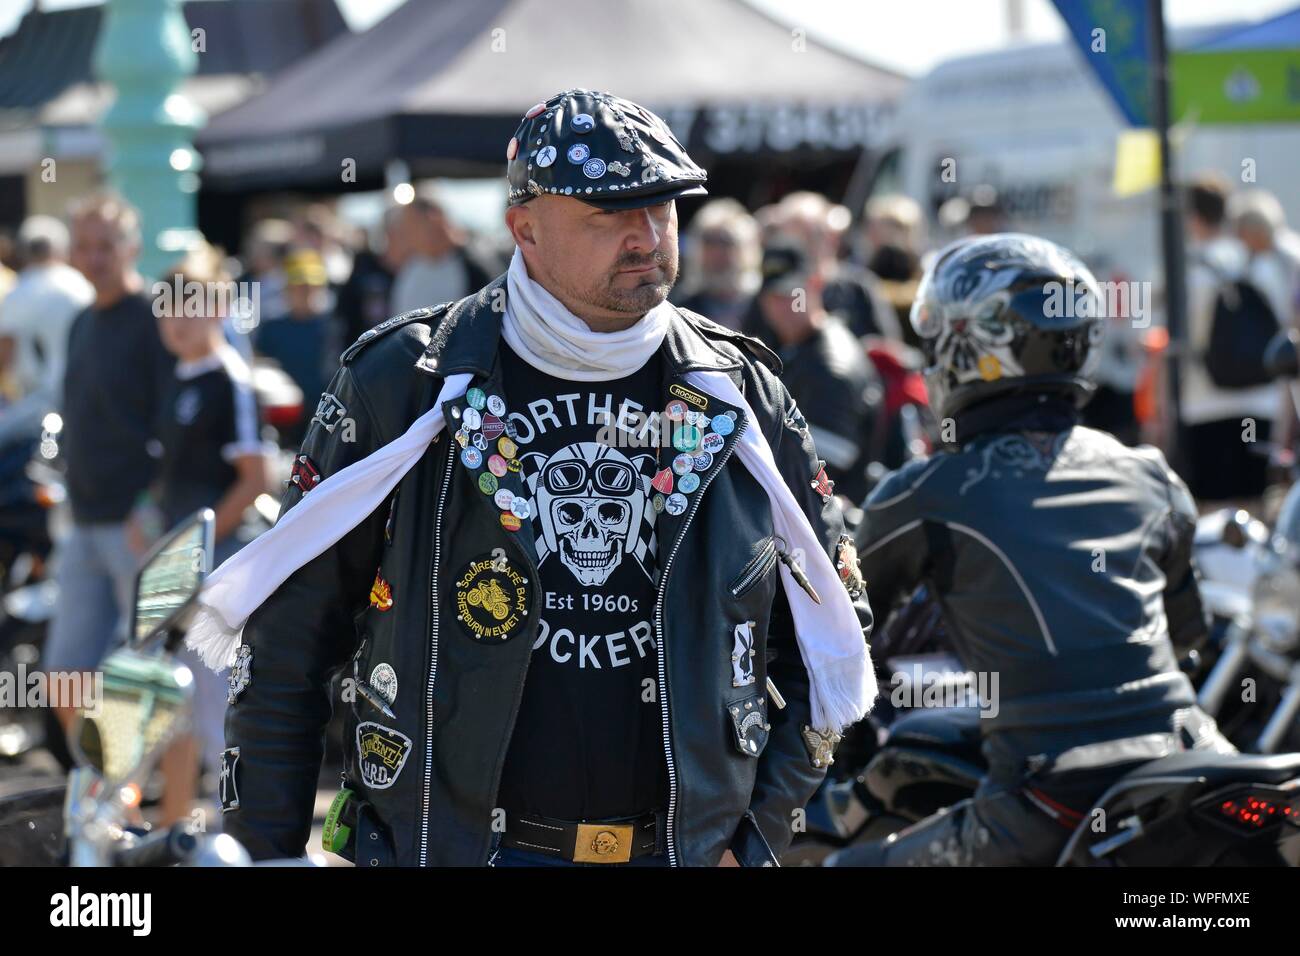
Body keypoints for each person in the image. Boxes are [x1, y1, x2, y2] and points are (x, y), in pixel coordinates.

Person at [196, 88, 876, 868]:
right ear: (524, 226)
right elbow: (286, 647)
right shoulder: (409, 382)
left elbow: (833, 637)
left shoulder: (741, 394)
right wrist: (266, 852)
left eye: (662, 209)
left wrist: (755, 841)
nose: (646, 236)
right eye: (608, 213)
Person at [825, 234, 1235, 868]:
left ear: (966, 347)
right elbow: (1185, 637)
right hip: (1191, 763)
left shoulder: (926, 491)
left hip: (1049, 795)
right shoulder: (1151, 474)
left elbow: (835, 637)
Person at [144, 241, 274, 825]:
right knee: (176, 701)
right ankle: (176, 826)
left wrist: (194, 547)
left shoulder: (232, 379)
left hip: (219, 563)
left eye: (188, 306)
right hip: (182, 564)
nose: (176, 320)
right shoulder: (176, 376)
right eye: (167, 307)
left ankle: (241, 836)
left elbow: (254, 478)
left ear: (219, 306)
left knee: (219, 705)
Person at [44, 194, 176, 731]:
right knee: (64, 675)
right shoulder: (80, 322)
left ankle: (146, 796)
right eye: (84, 246)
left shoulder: (154, 320)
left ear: (131, 248)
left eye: (106, 245)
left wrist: (149, 507)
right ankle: (104, 789)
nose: (94, 257)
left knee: (147, 672)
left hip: (138, 524)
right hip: (85, 521)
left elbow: (175, 427)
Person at [754, 238, 883, 504]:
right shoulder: (794, 347)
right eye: (770, 296)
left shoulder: (833, 366)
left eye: (788, 293)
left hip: (835, 527)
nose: (777, 306)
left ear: (814, 285)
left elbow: (818, 471)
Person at [1180, 175, 1278, 505]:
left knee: (1211, 510)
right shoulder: (1258, 263)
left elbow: (1180, 341)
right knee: (1255, 505)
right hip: (1261, 403)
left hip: (1205, 404)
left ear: (1193, 217)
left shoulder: (1189, 269)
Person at [0, 215, 94, 445]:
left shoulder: (17, 293)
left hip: (33, 409)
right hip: (85, 400)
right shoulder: (82, 287)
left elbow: (4, 354)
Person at [252, 247, 336, 448]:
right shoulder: (271, 329)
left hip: (326, 420)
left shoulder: (333, 326)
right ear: (287, 289)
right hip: (284, 423)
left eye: (311, 286)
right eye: (299, 286)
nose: (306, 292)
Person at [388, 187, 498, 315]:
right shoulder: (410, 267)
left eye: (412, 226)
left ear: (434, 218)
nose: (407, 235)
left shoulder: (475, 266)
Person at [673, 198, 760, 331]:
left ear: (747, 249)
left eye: (726, 241)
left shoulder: (765, 304)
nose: (716, 253)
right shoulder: (679, 309)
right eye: (709, 241)